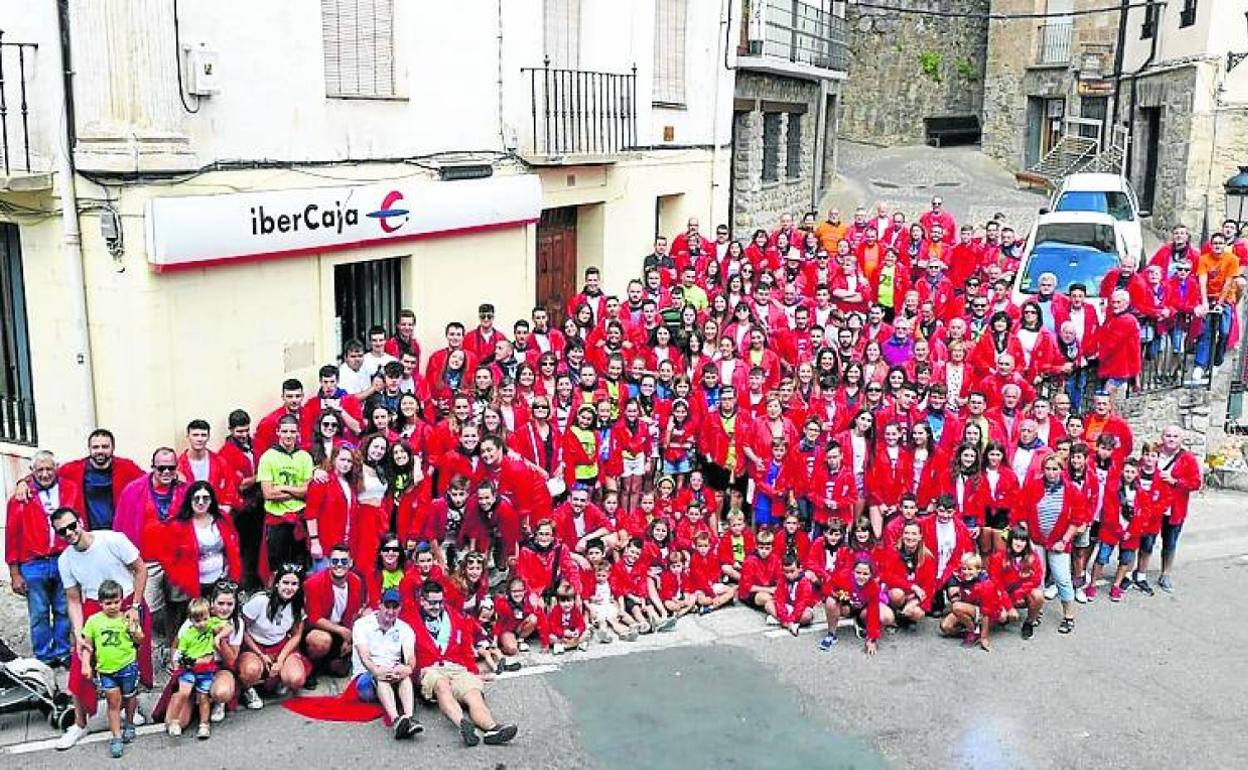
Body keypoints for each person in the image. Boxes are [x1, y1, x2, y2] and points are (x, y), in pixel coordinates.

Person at [54, 507, 150, 750]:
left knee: (130, 661)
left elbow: (140, 569)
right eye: (62, 531)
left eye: (71, 526)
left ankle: (131, 709)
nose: (69, 533)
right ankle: (79, 723)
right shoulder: (65, 559)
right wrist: (79, 634)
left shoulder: (112, 539)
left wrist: (135, 606)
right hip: (94, 610)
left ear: (80, 521)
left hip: (127, 602)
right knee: (79, 666)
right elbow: (73, 599)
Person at [411, 579, 519, 746]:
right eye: (432, 603)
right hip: (430, 669)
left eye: (440, 602)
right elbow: (404, 651)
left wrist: (473, 671)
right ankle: (462, 724)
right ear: (422, 600)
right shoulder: (409, 618)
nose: (437, 606)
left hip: (455, 667)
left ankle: (492, 729)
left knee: (473, 693)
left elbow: (465, 647)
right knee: (441, 685)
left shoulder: (453, 615)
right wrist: (417, 671)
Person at [6, 450, 81, 666]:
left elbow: (79, 521)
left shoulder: (70, 489)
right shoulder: (21, 497)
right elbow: (12, 535)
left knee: (63, 609)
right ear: (32, 472)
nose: (45, 474)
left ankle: (63, 651)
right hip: (33, 563)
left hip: (63, 558)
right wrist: (14, 573)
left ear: (56, 468)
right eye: (40, 470)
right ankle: (44, 656)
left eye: (49, 469)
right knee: (38, 612)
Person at [79, 579, 145, 758]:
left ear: (122, 600)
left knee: (130, 697)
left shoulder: (127, 618)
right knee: (112, 702)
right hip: (106, 670)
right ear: (100, 603)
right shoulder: (93, 621)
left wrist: (135, 631)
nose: (113, 606)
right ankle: (116, 737)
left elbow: (140, 640)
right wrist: (86, 663)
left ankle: (129, 724)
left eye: (116, 602)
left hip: (128, 666)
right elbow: (87, 645)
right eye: (108, 603)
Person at [351, 588, 423, 739]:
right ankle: (396, 719)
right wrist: (376, 671)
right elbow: (364, 657)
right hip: (366, 677)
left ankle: (409, 718)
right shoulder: (362, 625)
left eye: (395, 607)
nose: (390, 611)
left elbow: (410, 656)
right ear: (380, 605)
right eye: (387, 606)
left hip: (392, 674)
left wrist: (408, 668)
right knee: (381, 676)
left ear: (400, 608)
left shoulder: (405, 628)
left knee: (404, 675)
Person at [237, 564, 311, 709]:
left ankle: (278, 680)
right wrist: (260, 654)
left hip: (280, 645)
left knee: (296, 679)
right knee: (250, 670)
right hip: (254, 645)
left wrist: (280, 660)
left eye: (294, 584)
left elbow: (296, 636)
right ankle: (248, 689)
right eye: (285, 583)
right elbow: (241, 628)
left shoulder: (298, 605)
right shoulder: (260, 601)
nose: (289, 588)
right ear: (277, 583)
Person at [303, 544, 369, 684]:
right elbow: (314, 618)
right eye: (335, 561)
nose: (339, 565)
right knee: (321, 641)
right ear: (328, 562)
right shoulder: (313, 583)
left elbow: (355, 613)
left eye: (344, 561)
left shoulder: (356, 581)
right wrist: (341, 631)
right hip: (318, 629)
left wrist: (349, 639)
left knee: (340, 670)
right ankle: (310, 667)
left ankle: (329, 661)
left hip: (341, 628)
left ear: (350, 563)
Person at [256, 415, 315, 572]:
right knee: (277, 568)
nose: (288, 435)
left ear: (298, 433)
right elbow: (268, 494)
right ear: (278, 432)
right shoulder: (268, 458)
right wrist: (298, 492)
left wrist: (283, 487)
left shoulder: (305, 457)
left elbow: (308, 492)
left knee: (300, 566)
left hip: (300, 518)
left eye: (292, 431)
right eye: (285, 431)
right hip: (277, 521)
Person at [166, 596, 230, 739]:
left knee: (203, 697)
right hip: (189, 667)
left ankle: (204, 724)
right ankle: (175, 721)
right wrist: (177, 664)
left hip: (206, 670)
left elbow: (228, 627)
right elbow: (179, 652)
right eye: (197, 620)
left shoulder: (211, 625)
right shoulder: (187, 634)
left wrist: (218, 637)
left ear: (209, 616)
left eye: (204, 619)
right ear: (191, 619)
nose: (202, 623)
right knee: (184, 692)